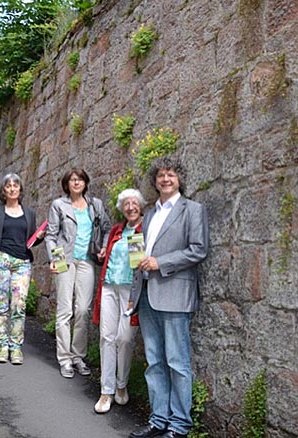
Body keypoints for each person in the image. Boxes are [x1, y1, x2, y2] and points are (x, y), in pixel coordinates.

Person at [128, 157, 209, 438]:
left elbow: (199, 250)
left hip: (176, 294)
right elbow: (139, 258)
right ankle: (158, 420)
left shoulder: (193, 210)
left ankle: (179, 426)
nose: (165, 179)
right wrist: (133, 294)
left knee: (177, 363)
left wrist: (160, 262)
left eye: (171, 175)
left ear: (179, 179)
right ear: (155, 181)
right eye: (161, 175)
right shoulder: (149, 215)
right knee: (154, 363)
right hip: (148, 296)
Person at [45, 168, 111, 378]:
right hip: (64, 259)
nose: (76, 183)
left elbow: (108, 228)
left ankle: (78, 356)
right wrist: (54, 259)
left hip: (87, 259)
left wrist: (104, 247)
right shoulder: (59, 205)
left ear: (85, 182)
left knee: (83, 309)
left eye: (80, 179)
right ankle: (64, 358)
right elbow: (51, 235)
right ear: (67, 184)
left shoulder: (95, 205)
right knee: (65, 310)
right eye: (72, 180)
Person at [92, 189, 146, 414]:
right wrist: (104, 253)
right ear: (122, 209)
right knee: (107, 337)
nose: (130, 207)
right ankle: (107, 390)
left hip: (130, 290)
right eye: (126, 204)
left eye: (134, 203)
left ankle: (121, 384)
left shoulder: (145, 228)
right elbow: (107, 252)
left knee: (125, 338)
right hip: (109, 287)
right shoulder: (117, 229)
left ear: (140, 206)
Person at [0, 173, 44, 365]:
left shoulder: (29, 213)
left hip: (22, 262)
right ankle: (2, 346)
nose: (12, 189)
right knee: (1, 306)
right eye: (8, 186)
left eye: (15, 185)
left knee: (19, 305)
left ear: (20, 189)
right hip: (0, 261)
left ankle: (16, 348)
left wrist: (40, 236)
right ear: (3, 190)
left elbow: (31, 241)